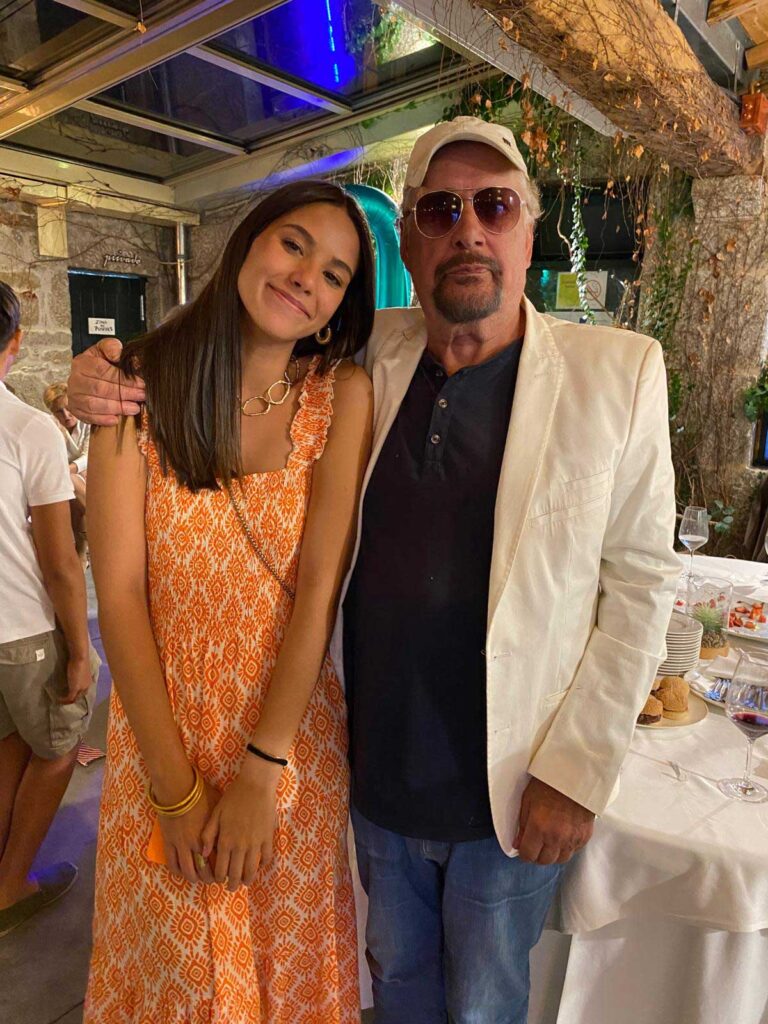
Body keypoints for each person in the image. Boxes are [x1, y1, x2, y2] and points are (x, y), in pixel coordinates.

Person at [68, 118, 680, 1024]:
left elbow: (641, 585)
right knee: (390, 988)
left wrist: (579, 770)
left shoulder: (616, 374)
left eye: (494, 206)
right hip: (376, 777)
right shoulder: (367, 358)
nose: (469, 230)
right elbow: (230, 353)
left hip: (510, 788)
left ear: (528, 227)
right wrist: (90, 377)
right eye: (440, 210)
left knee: (483, 1006)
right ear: (411, 242)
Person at [82, 181, 375, 1023]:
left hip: (287, 745)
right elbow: (119, 594)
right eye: (293, 244)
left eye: (334, 274)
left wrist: (260, 773)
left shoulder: (341, 394)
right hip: (159, 735)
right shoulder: (135, 389)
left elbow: (319, 589)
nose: (306, 277)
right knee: (175, 979)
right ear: (248, 243)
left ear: (338, 307)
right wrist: (174, 791)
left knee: (286, 981)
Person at [0, 281, 98, 939]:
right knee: (58, 749)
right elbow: (61, 561)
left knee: (10, 745)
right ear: (15, 341)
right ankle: (11, 888)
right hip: (24, 628)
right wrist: (81, 650)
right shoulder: (27, 428)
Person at [43, 382, 89, 565]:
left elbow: (89, 456)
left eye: (68, 408)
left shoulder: (88, 420)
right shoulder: (50, 427)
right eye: (59, 412)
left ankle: (81, 549)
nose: (66, 415)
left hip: (94, 474)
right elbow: (52, 457)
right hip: (70, 481)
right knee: (71, 490)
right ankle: (87, 541)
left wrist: (66, 470)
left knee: (69, 484)